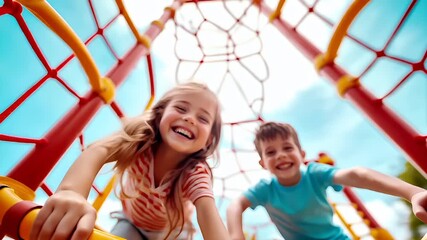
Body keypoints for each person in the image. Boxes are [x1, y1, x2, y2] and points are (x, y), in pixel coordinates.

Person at [30, 82, 231, 240]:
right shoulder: (141, 139)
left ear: (210, 139)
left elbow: (206, 210)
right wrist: (72, 193)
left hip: (173, 232)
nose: (190, 119)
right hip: (132, 222)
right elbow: (99, 150)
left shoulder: (194, 171)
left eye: (203, 119)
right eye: (181, 108)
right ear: (160, 113)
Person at [226, 121, 427, 240]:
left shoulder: (314, 173)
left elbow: (357, 175)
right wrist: (236, 235)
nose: (280, 155)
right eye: (271, 152)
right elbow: (235, 205)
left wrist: (412, 192)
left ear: (302, 154)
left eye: (287, 148)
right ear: (262, 163)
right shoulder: (266, 190)